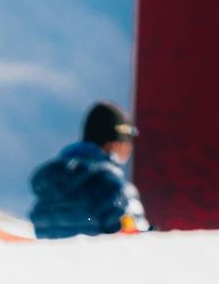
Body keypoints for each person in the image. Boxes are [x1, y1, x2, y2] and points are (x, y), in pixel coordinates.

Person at [29, 101, 151, 237]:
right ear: (114, 144)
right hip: (99, 258)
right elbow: (132, 238)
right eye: (127, 142)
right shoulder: (112, 186)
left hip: (49, 258)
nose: (130, 149)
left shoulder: (50, 182)